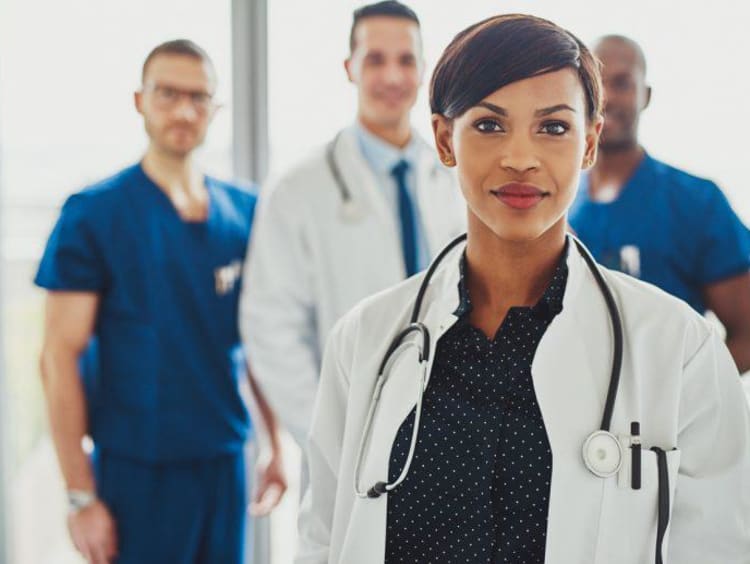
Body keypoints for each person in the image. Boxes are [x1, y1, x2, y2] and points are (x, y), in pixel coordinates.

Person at [296, 14, 750, 564]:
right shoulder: (363, 343)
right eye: (489, 125)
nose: (520, 157)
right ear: (444, 140)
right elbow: (322, 541)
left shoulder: (679, 350)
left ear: (589, 143)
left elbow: (717, 548)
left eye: (553, 127)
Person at [36, 40, 286, 564]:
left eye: (199, 97)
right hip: (136, 472)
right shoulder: (93, 215)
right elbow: (58, 357)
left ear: (215, 109)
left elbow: (260, 340)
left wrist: (275, 445)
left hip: (223, 461)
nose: (183, 109)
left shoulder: (245, 212)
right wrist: (81, 496)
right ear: (139, 100)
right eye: (167, 93)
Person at [240, 0, 463, 449]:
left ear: (424, 69)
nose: (393, 76)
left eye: (406, 60)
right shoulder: (299, 189)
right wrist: (331, 435)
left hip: (455, 427)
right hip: (349, 436)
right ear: (350, 67)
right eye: (375, 59)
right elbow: (270, 327)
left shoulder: (458, 178)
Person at [568, 34, 750, 373]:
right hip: (574, 419)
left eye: (622, 83)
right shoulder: (553, 205)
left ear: (645, 95)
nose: (606, 96)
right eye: (596, 83)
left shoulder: (697, 201)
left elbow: (746, 334)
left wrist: (686, 396)